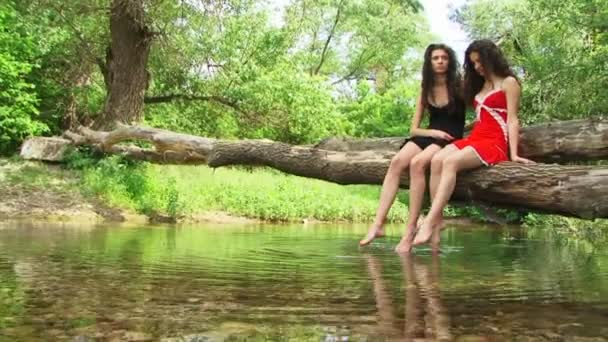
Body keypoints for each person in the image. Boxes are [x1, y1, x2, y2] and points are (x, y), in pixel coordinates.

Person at [412, 39, 535, 251]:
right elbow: (482, 117)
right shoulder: (481, 85)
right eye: (473, 64)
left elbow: (512, 119)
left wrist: (513, 154)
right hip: (476, 136)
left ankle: (431, 220)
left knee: (450, 162)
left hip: (494, 141)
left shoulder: (509, 83)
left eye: (480, 62)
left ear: (491, 58)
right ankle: (438, 221)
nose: (477, 67)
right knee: (437, 159)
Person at [359, 44, 465, 252]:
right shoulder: (425, 88)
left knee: (417, 163)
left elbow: (482, 102)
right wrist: (432, 133)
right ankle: (378, 224)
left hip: (450, 139)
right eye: (435, 58)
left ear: (450, 61)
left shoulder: (459, 86)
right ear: (429, 62)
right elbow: (414, 129)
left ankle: (409, 231)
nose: (440, 61)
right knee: (397, 162)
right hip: (431, 134)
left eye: (444, 57)